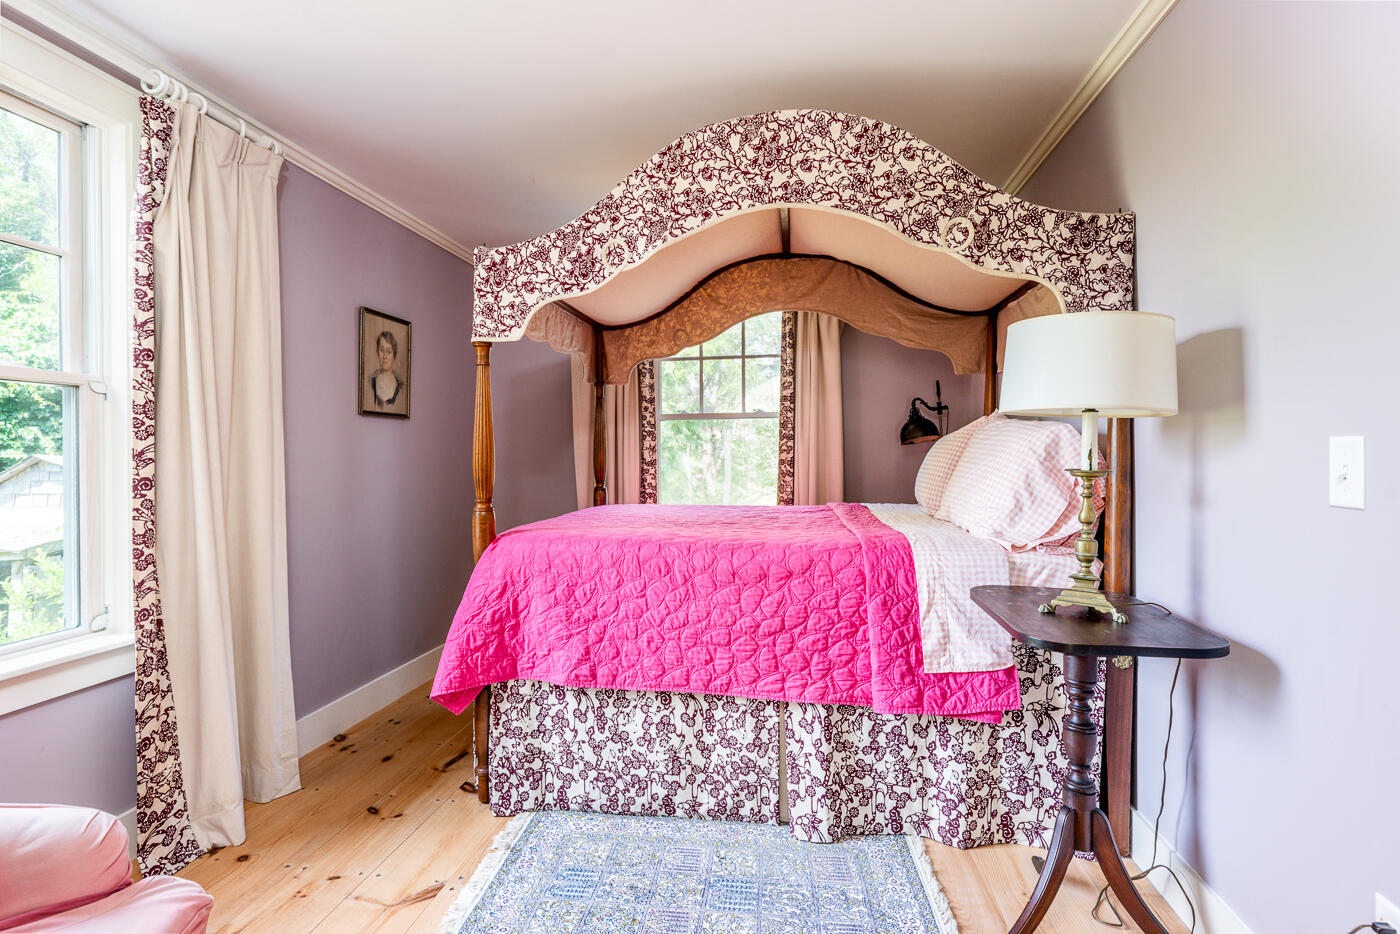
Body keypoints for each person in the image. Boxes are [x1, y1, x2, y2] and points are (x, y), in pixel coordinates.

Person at [368, 330, 405, 411]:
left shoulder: (401, 389)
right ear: (378, 353)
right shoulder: (370, 383)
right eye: (381, 350)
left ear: (394, 356)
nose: (384, 356)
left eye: (389, 351)